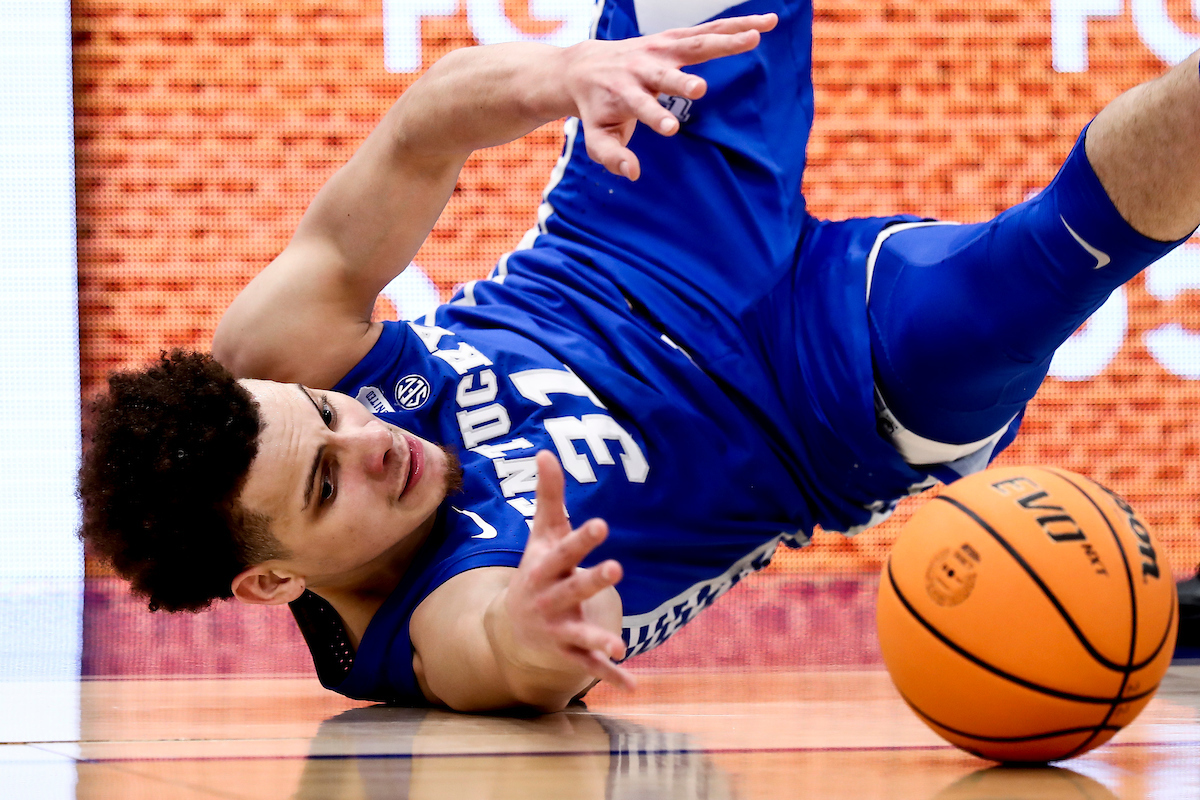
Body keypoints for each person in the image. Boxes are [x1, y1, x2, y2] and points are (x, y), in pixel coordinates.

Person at [78, 0, 1195, 712]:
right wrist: (540, 639)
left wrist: (570, 76)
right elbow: (502, 651)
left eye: (330, 413)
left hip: (636, 225)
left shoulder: (269, 348)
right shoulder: (420, 632)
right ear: (272, 577)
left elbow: (419, 131)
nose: (373, 437)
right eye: (326, 483)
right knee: (1051, 256)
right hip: (822, 403)